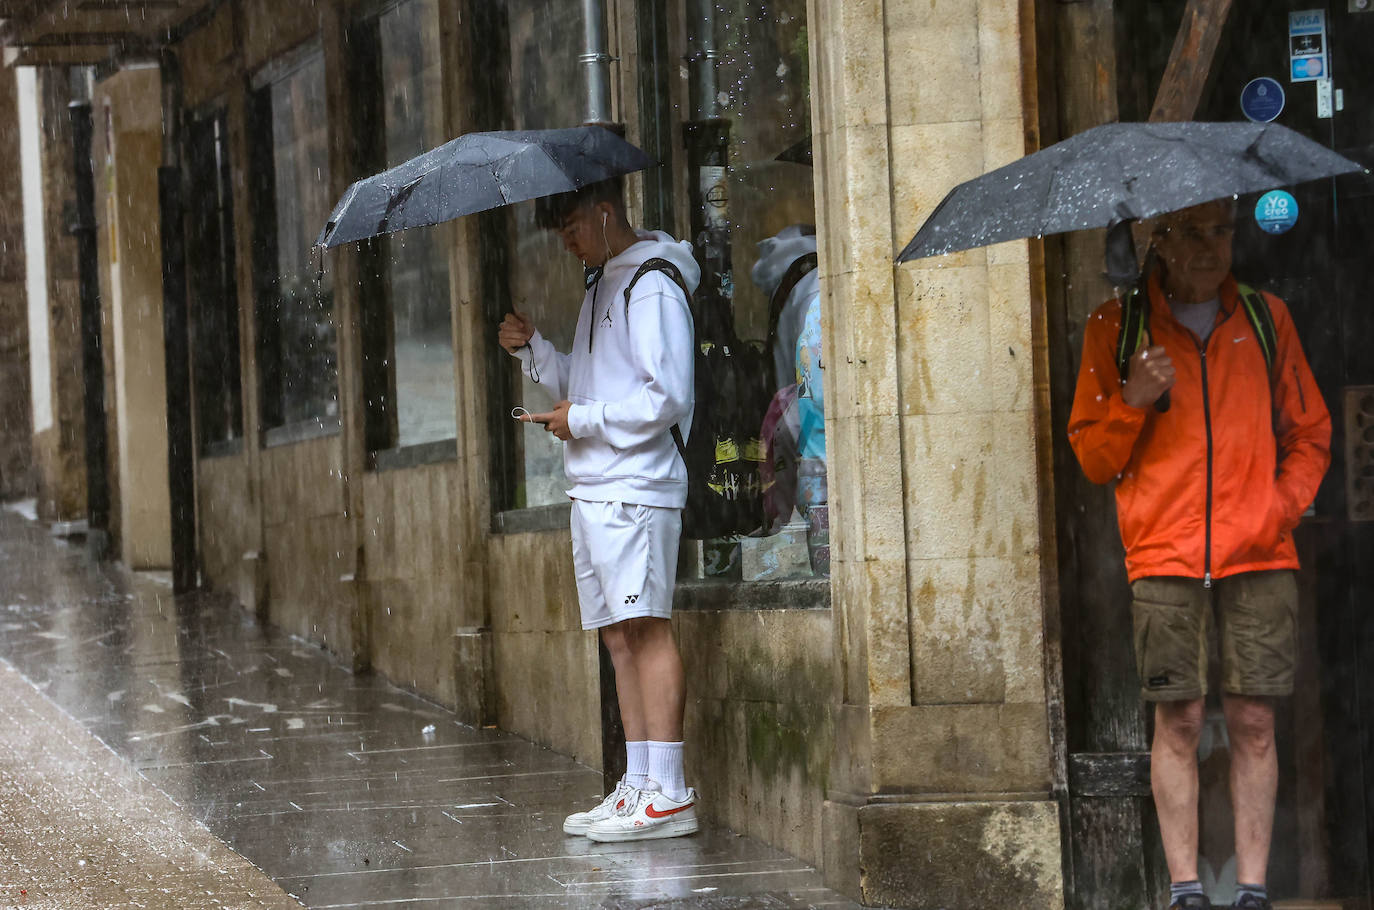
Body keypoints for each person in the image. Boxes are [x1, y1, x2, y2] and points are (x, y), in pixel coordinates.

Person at [1067, 199, 1331, 910]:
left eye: (1222, 231)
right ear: (1159, 240)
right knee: (1177, 719)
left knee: (1254, 719)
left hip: (1258, 554)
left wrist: (1276, 509)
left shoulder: (1266, 318)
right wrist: (1133, 398)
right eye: (1193, 233)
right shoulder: (1116, 329)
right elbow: (1092, 456)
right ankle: (1186, 892)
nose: (1213, 248)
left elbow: (1310, 431)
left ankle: (1250, 891)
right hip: (1165, 554)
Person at [496, 177, 701, 843]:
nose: (568, 241)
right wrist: (535, 351)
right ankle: (639, 782)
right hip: (596, 487)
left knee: (646, 628)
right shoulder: (601, 283)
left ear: (606, 211)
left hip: (636, 486)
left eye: (574, 227)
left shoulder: (653, 283)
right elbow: (586, 387)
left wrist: (582, 419)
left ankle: (669, 790)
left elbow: (666, 396)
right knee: (618, 635)